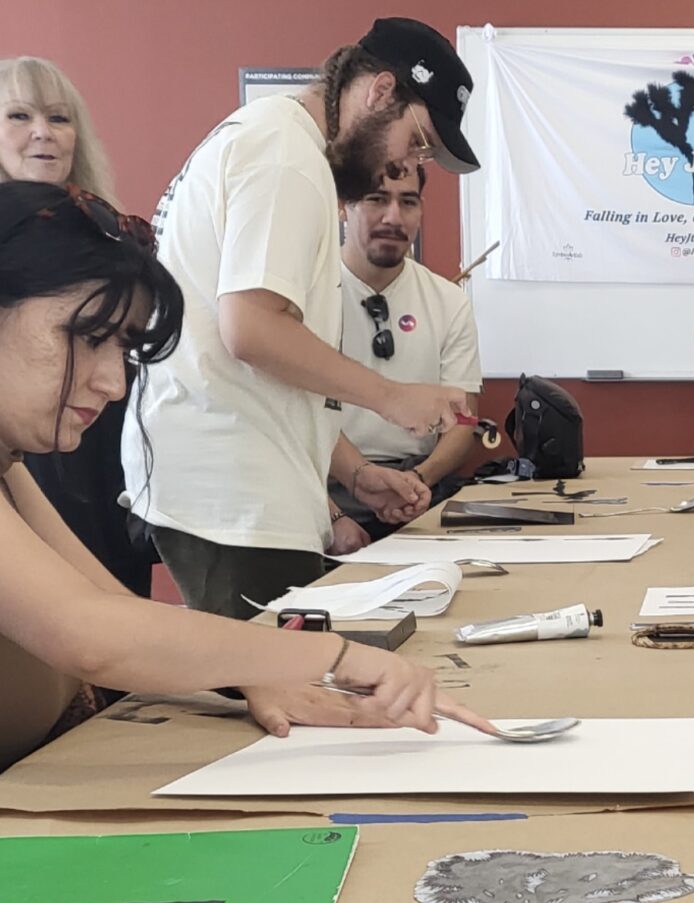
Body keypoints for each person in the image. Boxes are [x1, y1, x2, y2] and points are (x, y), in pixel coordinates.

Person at [0, 181, 488, 823]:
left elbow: (112, 606)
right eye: (87, 336)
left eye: (122, 349)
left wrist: (249, 672)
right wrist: (339, 655)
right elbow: (88, 635)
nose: (110, 382)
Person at [122, 17, 480, 619]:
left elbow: (270, 354)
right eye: (416, 142)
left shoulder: (272, 142)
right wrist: (390, 396)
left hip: (243, 482)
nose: (406, 164)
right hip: (234, 495)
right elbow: (252, 329)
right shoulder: (287, 157)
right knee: (275, 690)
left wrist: (355, 473)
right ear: (381, 92)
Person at [0, 56, 156, 598]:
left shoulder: (111, 234)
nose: (42, 133)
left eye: (58, 118)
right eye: (20, 116)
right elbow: (91, 635)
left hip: (99, 460)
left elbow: (113, 620)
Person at [331, 165, 482, 544]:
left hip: (420, 487)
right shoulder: (307, 294)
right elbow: (290, 420)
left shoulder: (449, 302)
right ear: (343, 206)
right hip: (328, 488)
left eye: (408, 202)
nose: (393, 217)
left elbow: (464, 421)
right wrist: (330, 517)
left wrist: (418, 480)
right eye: (377, 200)